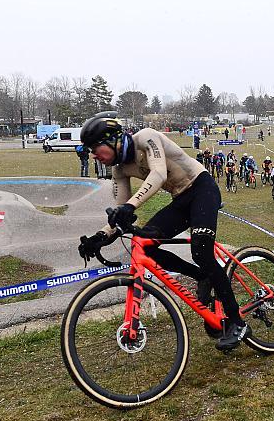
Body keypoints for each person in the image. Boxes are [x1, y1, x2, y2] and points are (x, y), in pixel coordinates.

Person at [76, 112, 249, 351]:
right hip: (180, 199)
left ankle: (237, 322)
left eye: (95, 148)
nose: (93, 155)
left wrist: (130, 207)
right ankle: (202, 276)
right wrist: (101, 236)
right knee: (144, 243)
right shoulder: (119, 170)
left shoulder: (145, 138)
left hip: (201, 188)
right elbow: (120, 212)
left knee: (201, 252)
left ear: (112, 140)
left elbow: (159, 173)